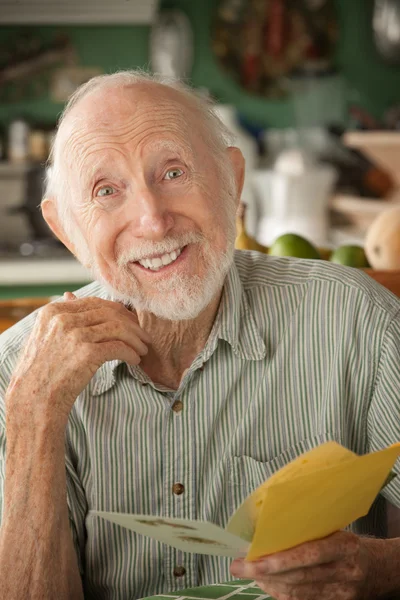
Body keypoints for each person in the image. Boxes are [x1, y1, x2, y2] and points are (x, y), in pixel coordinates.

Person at [0, 70, 399, 600]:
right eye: (106, 190)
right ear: (65, 228)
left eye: (172, 172)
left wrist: (372, 569)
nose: (154, 221)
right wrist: (34, 416)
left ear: (231, 179)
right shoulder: (15, 372)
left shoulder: (359, 319)